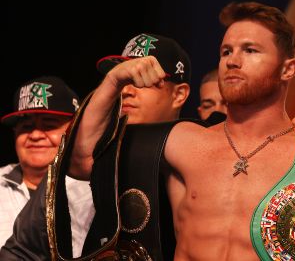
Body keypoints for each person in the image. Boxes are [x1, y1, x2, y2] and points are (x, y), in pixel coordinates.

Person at [58, 2, 295, 260]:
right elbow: (82, 161)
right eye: (226, 51)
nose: (232, 61)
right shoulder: (183, 141)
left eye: (250, 50)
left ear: (289, 68)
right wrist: (113, 82)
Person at [0, 33, 192, 260]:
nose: (127, 90)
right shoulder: (82, 161)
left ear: (179, 94)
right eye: (123, 78)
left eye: (142, 77)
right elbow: (20, 251)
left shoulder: (202, 155)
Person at [0, 76, 85, 248]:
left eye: (49, 125)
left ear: (74, 129)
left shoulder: (94, 189)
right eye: (26, 126)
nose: (36, 135)